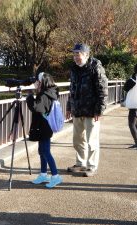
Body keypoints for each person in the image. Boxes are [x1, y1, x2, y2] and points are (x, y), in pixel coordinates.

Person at [66, 43, 108, 177]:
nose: (75, 57)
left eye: (78, 54)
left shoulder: (96, 68)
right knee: (77, 139)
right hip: (77, 110)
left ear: (86, 55)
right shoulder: (74, 69)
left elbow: (103, 90)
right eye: (74, 54)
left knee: (92, 140)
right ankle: (80, 163)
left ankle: (92, 165)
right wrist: (69, 107)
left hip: (91, 111)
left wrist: (99, 110)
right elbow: (71, 89)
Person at [26, 72, 62, 188]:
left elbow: (36, 108)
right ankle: (43, 174)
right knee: (42, 152)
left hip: (44, 127)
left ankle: (56, 176)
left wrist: (30, 97)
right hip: (44, 126)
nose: (36, 82)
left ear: (42, 82)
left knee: (46, 152)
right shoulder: (49, 92)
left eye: (38, 81)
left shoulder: (44, 95)